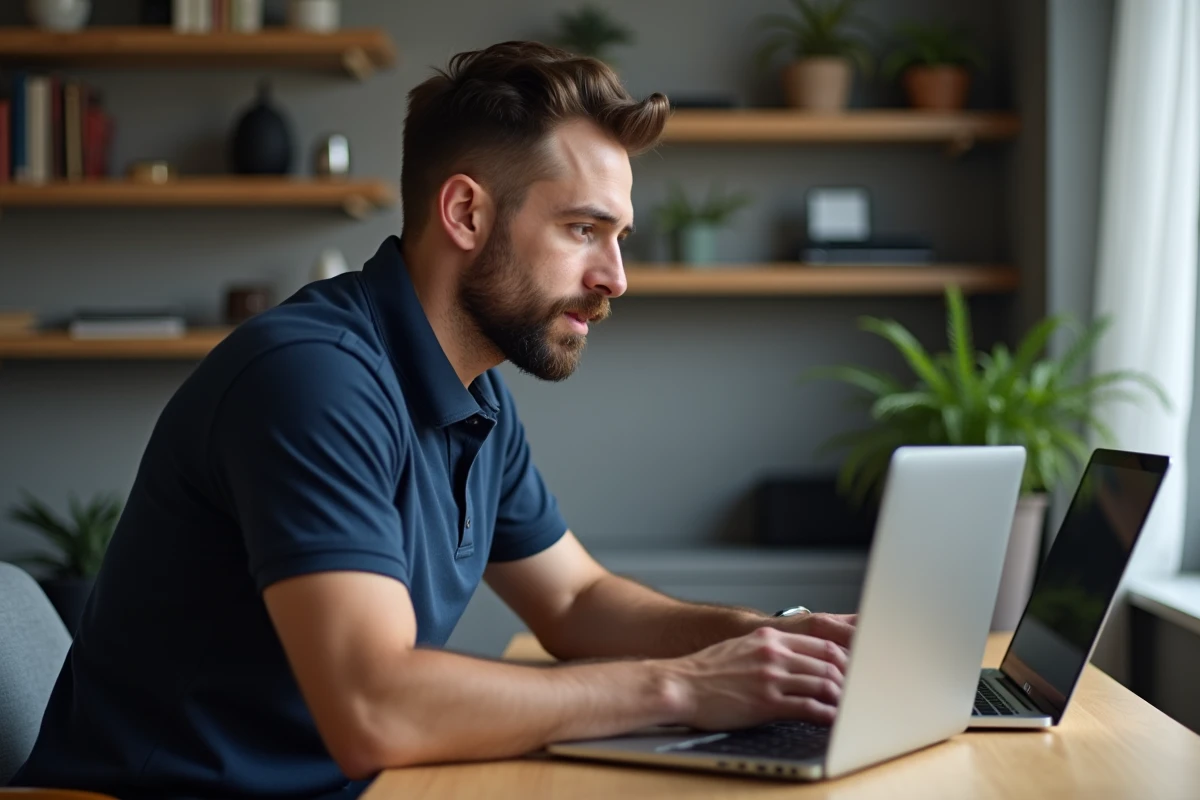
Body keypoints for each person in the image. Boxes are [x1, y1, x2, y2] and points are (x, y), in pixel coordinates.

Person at [12, 42, 856, 799]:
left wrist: (779, 642)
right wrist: (686, 687)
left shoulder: (476, 390)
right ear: (465, 214)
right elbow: (374, 707)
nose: (616, 277)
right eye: (583, 230)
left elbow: (576, 600)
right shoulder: (311, 381)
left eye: (620, 237)